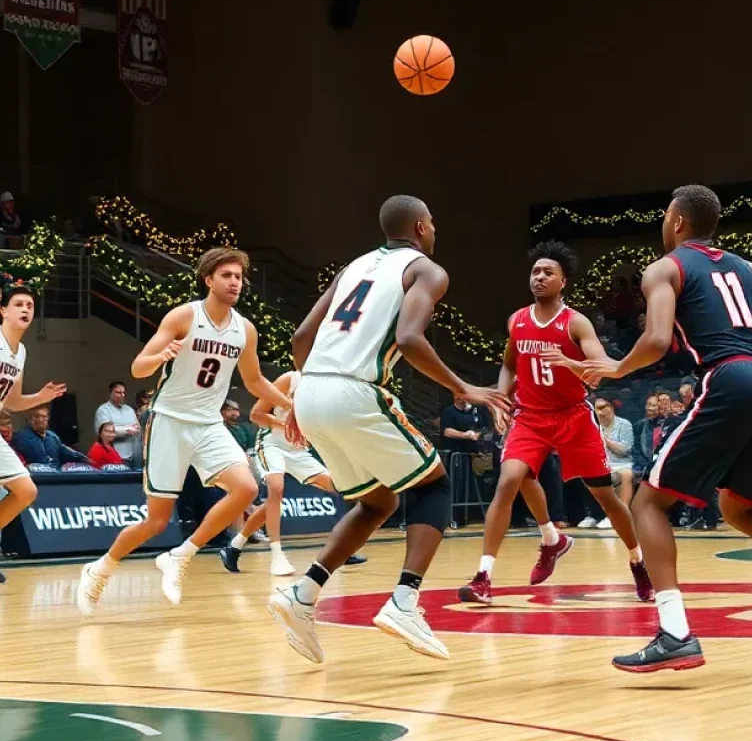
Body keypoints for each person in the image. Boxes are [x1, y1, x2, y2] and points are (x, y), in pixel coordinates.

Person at [581, 185, 752, 673]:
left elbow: (658, 339)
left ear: (677, 221)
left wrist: (617, 368)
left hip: (729, 377)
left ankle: (675, 632)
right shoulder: (745, 266)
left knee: (647, 502)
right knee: (739, 505)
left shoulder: (665, 267)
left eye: (666, 217)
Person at [268, 195, 507, 664]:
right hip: (355, 389)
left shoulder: (353, 267)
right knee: (435, 485)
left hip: (312, 389)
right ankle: (404, 602)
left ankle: (303, 593)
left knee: (378, 501)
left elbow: (301, 338)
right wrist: (464, 387)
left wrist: (300, 400)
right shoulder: (426, 270)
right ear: (420, 226)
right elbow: (409, 339)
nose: (435, 230)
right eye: (433, 222)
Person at [75, 247, 292, 615]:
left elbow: (254, 380)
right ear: (208, 279)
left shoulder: (245, 330)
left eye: (239, 276)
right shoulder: (184, 316)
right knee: (157, 520)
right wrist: (161, 356)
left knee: (246, 488)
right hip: (170, 421)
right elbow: (139, 367)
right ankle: (100, 568)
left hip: (208, 423)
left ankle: (181, 555)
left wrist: (291, 407)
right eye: (227, 275)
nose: (234, 282)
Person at [457, 242, 653, 606]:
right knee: (510, 480)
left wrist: (571, 363)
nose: (540, 277)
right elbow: (510, 365)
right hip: (529, 416)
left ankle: (638, 563)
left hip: (574, 417)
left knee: (606, 497)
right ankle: (486, 575)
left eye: (548, 272)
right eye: (535, 272)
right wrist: (502, 397)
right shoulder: (517, 320)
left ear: (563, 281)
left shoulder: (575, 322)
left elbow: (602, 365)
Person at [0, 282, 66, 596]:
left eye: (30, 305)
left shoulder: (21, 351)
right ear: (1, 310)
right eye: (18, 304)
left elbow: (12, 402)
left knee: (26, 491)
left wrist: (39, 397)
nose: (26, 309)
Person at [220, 370, 334, 577]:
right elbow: (256, 414)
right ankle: (277, 554)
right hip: (272, 442)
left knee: (336, 487)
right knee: (276, 488)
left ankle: (235, 545)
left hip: (298, 449)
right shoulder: (290, 380)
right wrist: (284, 424)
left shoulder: (329, 388)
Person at [12, 405, 86, 468]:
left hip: (55, 477)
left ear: (47, 418)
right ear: (30, 419)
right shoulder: (20, 437)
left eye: (44, 416)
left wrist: (86, 460)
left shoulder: (53, 437)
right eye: (37, 416)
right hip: (34, 478)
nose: (40, 420)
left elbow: (65, 451)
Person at [93, 381, 141, 465]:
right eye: (118, 392)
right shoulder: (103, 410)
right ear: (111, 393)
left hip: (134, 456)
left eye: (123, 393)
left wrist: (120, 429)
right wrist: (128, 429)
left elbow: (138, 428)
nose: (122, 395)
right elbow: (106, 433)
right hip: (114, 457)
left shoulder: (129, 410)